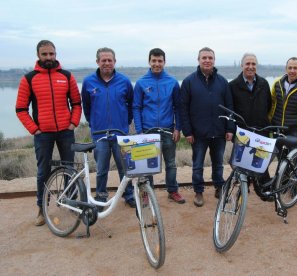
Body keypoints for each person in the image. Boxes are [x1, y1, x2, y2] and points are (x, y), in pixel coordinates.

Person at [15, 40, 82, 226]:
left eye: (51, 54)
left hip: (65, 132)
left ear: (56, 54)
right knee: (43, 172)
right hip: (43, 134)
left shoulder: (66, 76)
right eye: (44, 54)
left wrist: (73, 123)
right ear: (38, 56)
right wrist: (34, 129)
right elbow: (21, 109)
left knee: (70, 169)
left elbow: (77, 103)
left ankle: (73, 203)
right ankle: (41, 209)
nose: (48, 58)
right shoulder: (29, 78)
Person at [180, 47, 235, 207]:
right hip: (198, 133)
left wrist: (230, 128)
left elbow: (229, 106)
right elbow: (183, 108)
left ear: (214, 60)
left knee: (218, 163)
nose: (207, 60)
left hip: (219, 132)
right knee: (197, 166)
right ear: (198, 60)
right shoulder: (189, 82)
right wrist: (187, 131)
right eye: (204, 57)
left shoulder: (223, 82)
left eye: (210, 58)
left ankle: (219, 187)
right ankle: (198, 191)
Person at [81, 47, 135, 208]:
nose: (106, 63)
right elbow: (87, 106)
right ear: (97, 62)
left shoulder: (124, 81)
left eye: (109, 60)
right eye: (103, 60)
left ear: (114, 61)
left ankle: (129, 194)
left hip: (120, 133)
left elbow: (131, 104)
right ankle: (101, 197)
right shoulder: (88, 82)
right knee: (101, 169)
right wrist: (94, 123)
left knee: (124, 168)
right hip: (100, 134)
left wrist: (125, 122)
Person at [133, 48, 185, 204]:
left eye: (160, 61)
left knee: (170, 163)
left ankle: (173, 191)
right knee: (147, 166)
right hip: (148, 131)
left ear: (164, 62)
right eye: (154, 61)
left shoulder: (172, 82)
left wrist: (177, 128)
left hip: (168, 130)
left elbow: (178, 107)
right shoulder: (141, 83)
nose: (157, 64)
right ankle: (147, 193)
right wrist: (139, 131)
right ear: (149, 61)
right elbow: (136, 107)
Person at [229, 53, 272, 195]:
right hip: (243, 131)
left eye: (253, 64)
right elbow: (231, 110)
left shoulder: (264, 84)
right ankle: (242, 188)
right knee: (241, 162)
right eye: (247, 64)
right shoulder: (233, 86)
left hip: (261, 129)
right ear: (242, 65)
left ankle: (263, 187)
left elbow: (269, 105)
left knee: (261, 161)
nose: (250, 67)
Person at [268, 57, 297, 146]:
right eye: (290, 68)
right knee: (277, 156)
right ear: (286, 69)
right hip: (276, 127)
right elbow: (272, 104)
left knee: (292, 158)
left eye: (295, 68)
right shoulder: (277, 83)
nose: (292, 71)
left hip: (294, 129)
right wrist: (268, 121)